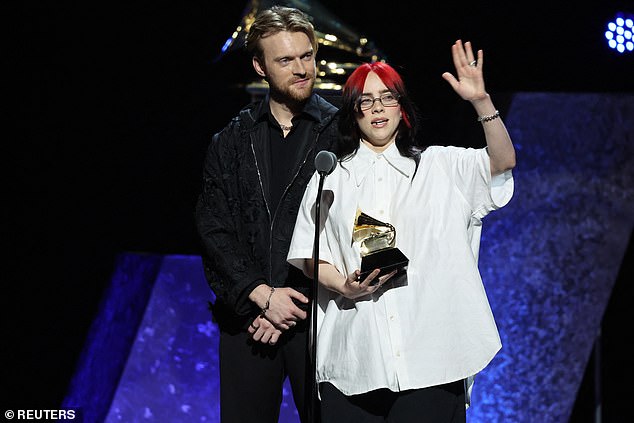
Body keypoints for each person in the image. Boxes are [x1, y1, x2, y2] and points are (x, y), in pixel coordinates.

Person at [287, 40, 516, 422]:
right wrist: (344, 286)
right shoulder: (332, 175)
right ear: (353, 113)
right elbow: (310, 254)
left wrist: (481, 101)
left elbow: (502, 161)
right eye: (365, 100)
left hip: (433, 358)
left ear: (402, 107)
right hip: (355, 361)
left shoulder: (440, 166)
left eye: (387, 97)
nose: (377, 107)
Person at [194, 5, 339, 423]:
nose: (301, 69)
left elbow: (357, 223)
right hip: (248, 319)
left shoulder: (344, 133)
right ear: (260, 66)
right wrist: (262, 295)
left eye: (307, 56)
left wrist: (290, 303)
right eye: (286, 60)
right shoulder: (231, 141)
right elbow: (213, 227)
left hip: (321, 318)